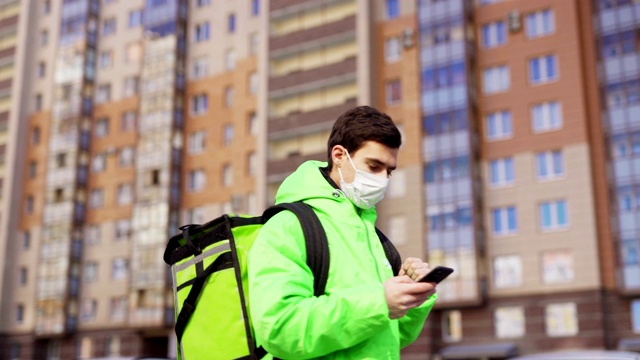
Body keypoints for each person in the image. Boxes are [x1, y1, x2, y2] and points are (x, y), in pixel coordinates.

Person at [248, 106, 437, 359]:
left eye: (389, 171)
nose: (383, 179)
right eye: (374, 166)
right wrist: (379, 302)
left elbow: (388, 337)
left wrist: (411, 298)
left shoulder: (374, 238)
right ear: (339, 155)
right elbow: (279, 328)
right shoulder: (289, 225)